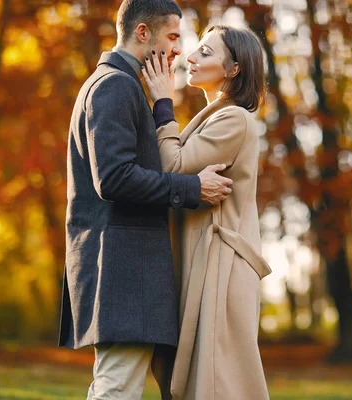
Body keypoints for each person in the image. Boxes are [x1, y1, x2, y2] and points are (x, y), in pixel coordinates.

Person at [58, 1, 234, 399]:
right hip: (124, 274)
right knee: (117, 389)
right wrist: (192, 189)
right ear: (142, 33)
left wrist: (160, 104)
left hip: (128, 274)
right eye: (172, 36)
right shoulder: (114, 87)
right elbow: (114, 178)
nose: (177, 49)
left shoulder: (119, 85)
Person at [143, 24, 272, 400]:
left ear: (233, 70)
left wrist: (162, 103)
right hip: (203, 262)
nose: (191, 58)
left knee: (219, 383)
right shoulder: (214, 118)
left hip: (221, 268)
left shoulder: (235, 119)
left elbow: (173, 168)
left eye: (206, 52)